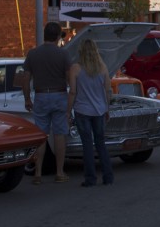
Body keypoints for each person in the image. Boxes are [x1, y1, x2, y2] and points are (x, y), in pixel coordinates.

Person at [23, 22, 70, 184]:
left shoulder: (33, 54)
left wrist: (27, 98)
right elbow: (70, 78)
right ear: (58, 37)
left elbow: (26, 78)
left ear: (44, 35)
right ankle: (59, 172)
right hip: (59, 95)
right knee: (59, 134)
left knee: (41, 135)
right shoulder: (63, 54)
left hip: (41, 96)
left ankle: (37, 173)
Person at [65, 38, 114, 187]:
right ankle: (108, 177)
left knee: (87, 145)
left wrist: (68, 111)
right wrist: (107, 109)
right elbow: (107, 91)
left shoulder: (76, 68)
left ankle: (90, 178)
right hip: (99, 110)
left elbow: (72, 92)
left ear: (81, 51)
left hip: (82, 110)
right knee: (101, 144)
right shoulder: (103, 67)